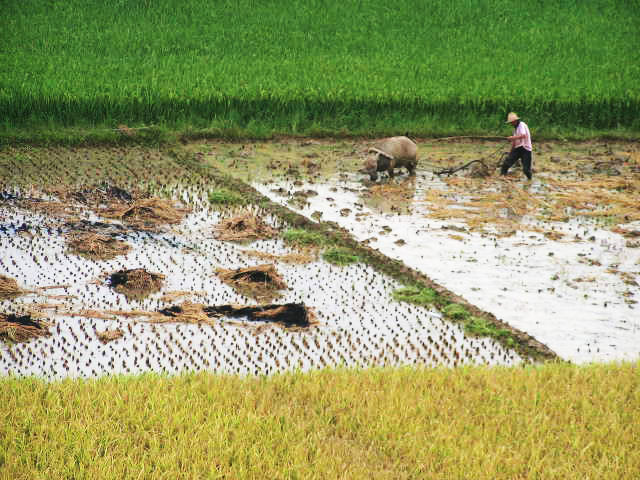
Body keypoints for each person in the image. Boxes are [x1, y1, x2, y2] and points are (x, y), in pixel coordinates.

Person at [501, 112, 532, 180]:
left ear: (515, 121)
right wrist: (511, 151)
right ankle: (502, 176)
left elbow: (523, 135)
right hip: (518, 148)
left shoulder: (522, 125)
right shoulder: (515, 129)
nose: (511, 124)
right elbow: (515, 142)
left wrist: (513, 137)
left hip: (526, 149)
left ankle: (530, 180)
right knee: (506, 163)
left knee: (526, 170)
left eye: (511, 122)